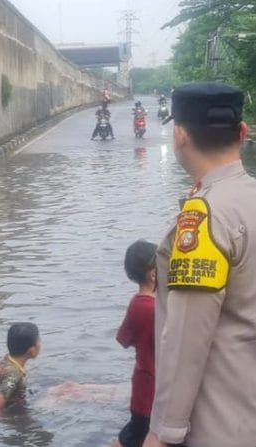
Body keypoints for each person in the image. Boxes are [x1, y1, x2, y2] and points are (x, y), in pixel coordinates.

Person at [143, 82, 256, 447]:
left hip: (221, 425)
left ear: (178, 136)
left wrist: (162, 431)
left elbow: (186, 335)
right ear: (242, 132)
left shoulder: (204, 216)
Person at [112, 240, 157, 447]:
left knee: (135, 432)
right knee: (145, 434)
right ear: (153, 274)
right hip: (155, 389)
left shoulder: (136, 303)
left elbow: (124, 339)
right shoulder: (158, 309)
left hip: (141, 385)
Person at [0, 322, 41, 413]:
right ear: (32, 350)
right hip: (15, 415)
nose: (41, 343)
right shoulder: (14, 374)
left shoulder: (6, 360)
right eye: (39, 340)